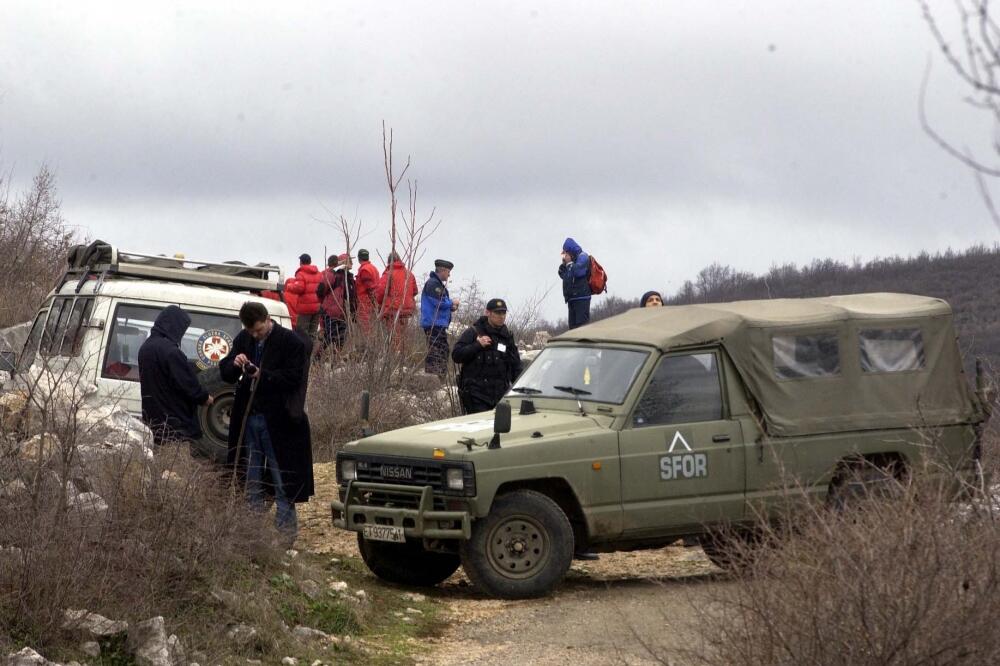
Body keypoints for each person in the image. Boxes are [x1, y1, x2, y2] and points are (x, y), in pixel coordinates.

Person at [219, 302, 314, 541]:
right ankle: (253, 535)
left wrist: (263, 375)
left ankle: (284, 538)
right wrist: (235, 363)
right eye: (251, 331)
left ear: (268, 320)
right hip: (249, 419)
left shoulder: (290, 342)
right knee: (250, 479)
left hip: (279, 422)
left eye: (259, 330)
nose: (255, 335)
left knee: (281, 479)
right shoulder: (245, 338)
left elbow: (294, 378)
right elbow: (226, 372)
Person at [138, 305, 214, 445]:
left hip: (153, 422)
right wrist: (204, 397)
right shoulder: (171, 352)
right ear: (175, 326)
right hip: (175, 427)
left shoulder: (146, 347)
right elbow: (186, 383)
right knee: (176, 465)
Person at [451, 298, 522, 414]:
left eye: (503, 313)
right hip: (477, 396)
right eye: (498, 313)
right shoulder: (474, 332)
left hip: (500, 397)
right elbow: (456, 355)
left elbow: (516, 366)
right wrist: (477, 345)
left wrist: (522, 390)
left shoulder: (507, 336)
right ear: (488, 313)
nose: (501, 316)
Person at [420, 259, 460, 377]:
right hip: (434, 324)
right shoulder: (433, 284)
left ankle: (437, 376)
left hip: (438, 324)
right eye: (448, 271)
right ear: (442, 270)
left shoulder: (438, 285)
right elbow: (438, 302)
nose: (449, 274)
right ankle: (433, 377)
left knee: (442, 349)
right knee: (437, 351)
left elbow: (443, 303)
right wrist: (452, 302)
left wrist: (451, 308)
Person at [376, 251, 419, 351]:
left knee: (393, 337)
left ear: (389, 262)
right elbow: (415, 291)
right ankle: (402, 359)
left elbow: (380, 291)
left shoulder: (388, 274)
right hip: (406, 310)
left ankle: (394, 357)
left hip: (391, 310)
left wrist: (378, 304)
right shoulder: (410, 274)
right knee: (403, 336)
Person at [317, 253, 357, 351]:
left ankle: (335, 362)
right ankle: (316, 359)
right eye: (349, 260)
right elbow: (320, 291)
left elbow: (352, 298)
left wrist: (353, 313)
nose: (351, 263)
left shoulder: (350, 278)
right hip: (331, 312)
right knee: (329, 338)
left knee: (341, 340)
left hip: (343, 314)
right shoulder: (333, 275)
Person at [286, 253, 322, 336]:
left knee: (301, 333)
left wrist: (289, 286)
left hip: (305, 308)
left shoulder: (301, 274)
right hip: (317, 308)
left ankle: (304, 349)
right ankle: (312, 348)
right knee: (313, 333)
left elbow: (299, 288)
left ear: (301, 262)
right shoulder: (319, 274)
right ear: (310, 262)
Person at [559, 237, 591, 329]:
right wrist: (564, 265)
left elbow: (577, 272)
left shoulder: (583, 257)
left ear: (570, 251)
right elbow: (563, 275)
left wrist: (569, 264)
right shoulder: (570, 262)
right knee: (573, 329)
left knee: (582, 328)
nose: (564, 256)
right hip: (571, 299)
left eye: (565, 253)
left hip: (582, 298)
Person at [354, 248, 381, 333]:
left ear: (359, 258)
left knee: (365, 330)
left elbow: (370, 288)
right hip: (372, 302)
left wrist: (373, 302)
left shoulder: (364, 270)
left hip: (365, 303)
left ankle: (366, 346)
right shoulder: (374, 268)